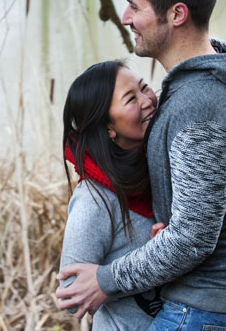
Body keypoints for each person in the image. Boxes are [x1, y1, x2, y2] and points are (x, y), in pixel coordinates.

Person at [56, 0, 226, 330]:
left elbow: (193, 239)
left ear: (176, 14)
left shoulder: (201, 104)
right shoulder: (204, 84)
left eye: (135, 6)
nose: (126, 18)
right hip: (223, 305)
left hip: (208, 310)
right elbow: (197, 217)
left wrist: (106, 280)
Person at [59, 60, 164, 330]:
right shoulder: (95, 199)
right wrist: (150, 260)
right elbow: (71, 295)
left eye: (144, 88)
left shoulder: (159, 171)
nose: (147, 100)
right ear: (108, 127)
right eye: (131, 99)